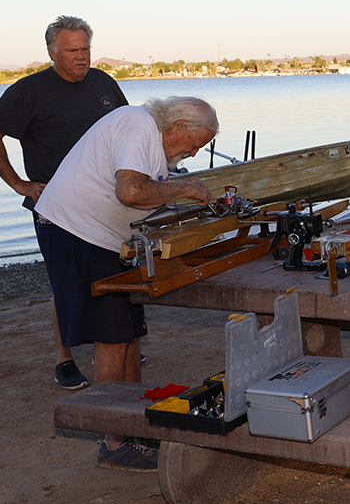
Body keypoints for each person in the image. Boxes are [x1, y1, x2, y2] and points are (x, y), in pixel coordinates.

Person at [34, 96, 218, 471]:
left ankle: (134, 422)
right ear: (178, 127)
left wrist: (182, 196)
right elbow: (131, 191)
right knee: (112, 337)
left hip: (100, 236)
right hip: (76, 231)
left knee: (130, 333)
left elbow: (144, 193)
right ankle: (114, 440)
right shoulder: (138, 125)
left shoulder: (151, 140)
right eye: (194, 144)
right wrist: (184, 190)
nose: (194, 153)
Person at [0, 15, 128, 390]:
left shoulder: (104, 84)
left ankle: (114, 344)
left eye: (86, 49)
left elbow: (127, 130)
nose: (81, 57)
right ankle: (65, 359)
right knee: (66, 283)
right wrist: (19, 184)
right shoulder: (29, 91)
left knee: (114, 275)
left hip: (107, 204)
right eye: (72, 50)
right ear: (52, 52)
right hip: (55, 207)